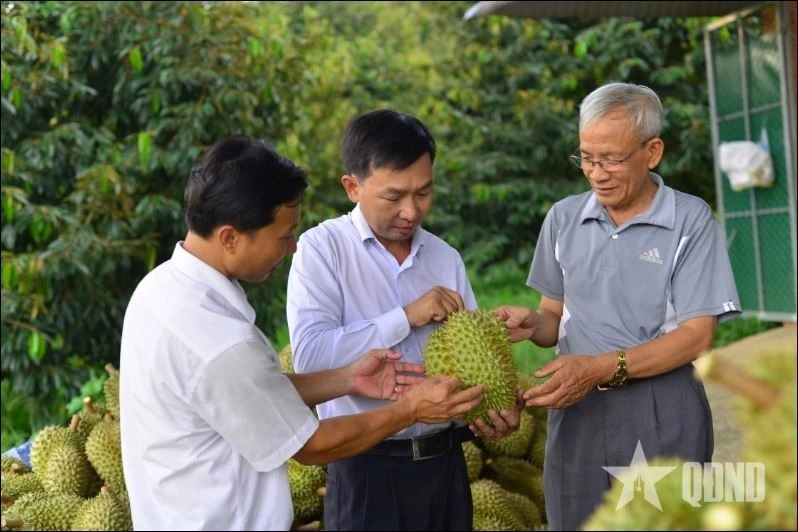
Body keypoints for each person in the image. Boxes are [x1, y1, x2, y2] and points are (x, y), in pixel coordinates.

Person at [118, 135, 488, 531]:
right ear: (230, 236)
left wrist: (347, 379)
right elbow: (311, 446)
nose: (292, 247)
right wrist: (411, 409)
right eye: (282, 236)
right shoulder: (222, 342)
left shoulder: (160, 289)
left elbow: (253, 394)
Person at [494, 82, 742, 530]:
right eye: (587, 157)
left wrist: (597, 368)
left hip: (662, 408)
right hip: (578, 410)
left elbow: (696, 336)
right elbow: (554, 316)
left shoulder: (690, 221)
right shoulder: (564, 218)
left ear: (653, 151)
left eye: (611, 158)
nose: (597, 172)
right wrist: (531, 323)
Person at [286, 109, 522, 531]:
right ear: (352, 187)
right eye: (394, 197)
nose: (411, 211)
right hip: (367, 470)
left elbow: (474, 356)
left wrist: (492, 411)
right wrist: (406, 316)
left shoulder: (444, 257)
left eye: (424, 193)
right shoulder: (322, 250)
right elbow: (311, 358)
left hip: (447, 466)